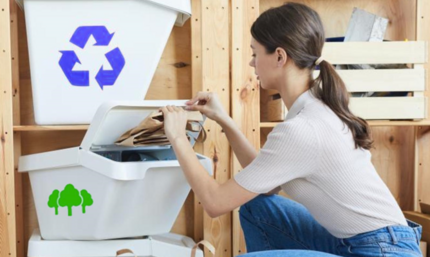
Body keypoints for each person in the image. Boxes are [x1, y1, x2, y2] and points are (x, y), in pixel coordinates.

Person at [160, 3, 422, 257]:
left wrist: (178, 137)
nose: (252, 63)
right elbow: (266, 184)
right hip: (365, 243)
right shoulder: (312, 109)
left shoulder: (303, 128)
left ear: (279, 56)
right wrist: (225, 121)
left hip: (382, 251)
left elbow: (215, 203)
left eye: (254, 53)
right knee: (257, 207)